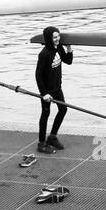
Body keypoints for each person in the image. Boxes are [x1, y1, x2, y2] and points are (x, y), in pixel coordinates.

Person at [32, 25, 73, 153]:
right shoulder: (44, 54)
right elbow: (38, 75)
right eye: (54, 37)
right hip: (47, 91)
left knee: (63, 109)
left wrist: (69, 49)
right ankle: (41, 143)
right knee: (45, 114)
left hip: (57, 88)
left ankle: (52, 137)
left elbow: (68, 61)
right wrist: (44, 93)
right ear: (49, 39)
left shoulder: (59, 48)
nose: (57, 39)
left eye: (58, 36)